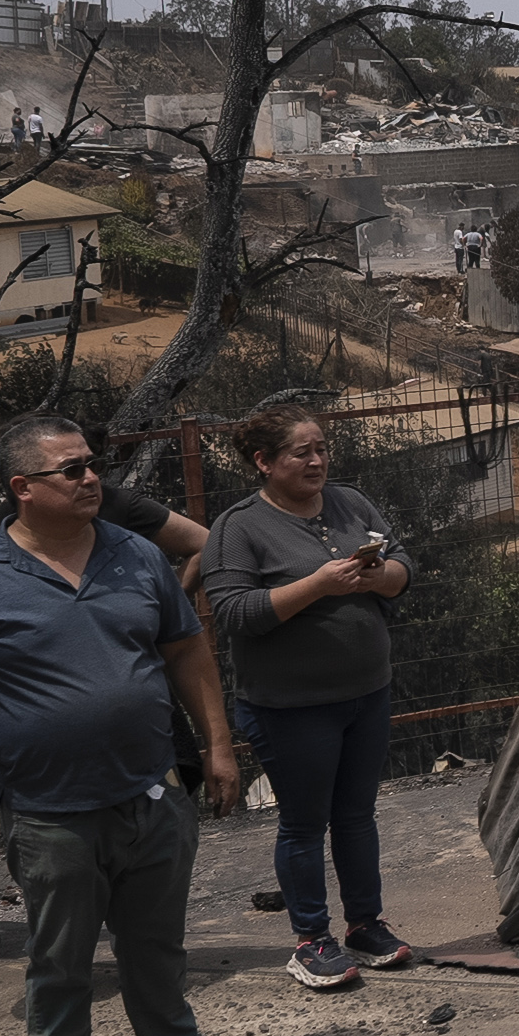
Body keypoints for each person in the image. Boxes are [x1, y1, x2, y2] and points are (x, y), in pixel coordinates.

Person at [0, 415, 249, 1036]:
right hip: (47, 813)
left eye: (92, 465)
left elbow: (186, 649)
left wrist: (218, 745)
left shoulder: (135, 556)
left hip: (151, 794)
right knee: (60, 962)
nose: (91, 477)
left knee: (156, 944)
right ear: (22, 489)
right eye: (70, 470)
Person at [204, 406, 415, 991]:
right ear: (264, 462)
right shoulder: (238, 527)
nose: (317, 461)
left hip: (366, 694)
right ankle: (311, 939)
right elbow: (236, 613)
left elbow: (403, 566)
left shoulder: (351, 501)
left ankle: (365, 925)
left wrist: (378, 576)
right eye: (301, 452)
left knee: (356, 815)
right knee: (303, 824)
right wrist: (319, 584)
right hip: (290, 708)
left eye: (321, 448)